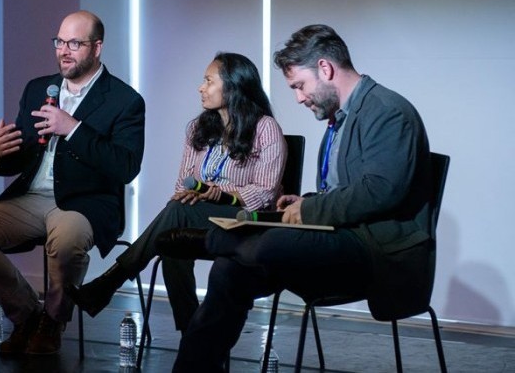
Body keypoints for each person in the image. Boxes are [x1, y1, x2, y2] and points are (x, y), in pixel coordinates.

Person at [171, 24, 432, 372]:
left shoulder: (387, 112)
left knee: (269, 244)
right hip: (343, 237)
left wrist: (311, 208)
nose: (298, 97)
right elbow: (344, 190)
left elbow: (380, 191)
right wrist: (303, 201)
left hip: (376, 251)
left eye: (299, 85)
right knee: (229, 271)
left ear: (325, 68)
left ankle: (218, 239)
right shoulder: (342, 118)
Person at [0, 10, 145, 356]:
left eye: (74, 43)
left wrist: (74, 129)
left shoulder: (124, 100)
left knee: (66, 241)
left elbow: (125, 167)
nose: (63, 51)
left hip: (84, 202)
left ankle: (53, 321)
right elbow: (23, 154)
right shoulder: (38, 89)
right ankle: (27, 314)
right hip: (31, 197)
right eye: (59, 42)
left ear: (97, 47)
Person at [66, 52, 286, 334]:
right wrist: (190, 194)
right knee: (171, 240)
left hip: (245, 221)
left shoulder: (265, 128)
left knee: (176, 221)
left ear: (233, 86)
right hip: (200, 218)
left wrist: (221, 194)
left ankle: (110, 282)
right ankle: (192, 331)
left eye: (209, 81)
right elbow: (183, 184)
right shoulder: (198, 128)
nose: (201, 88)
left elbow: (266, 192)